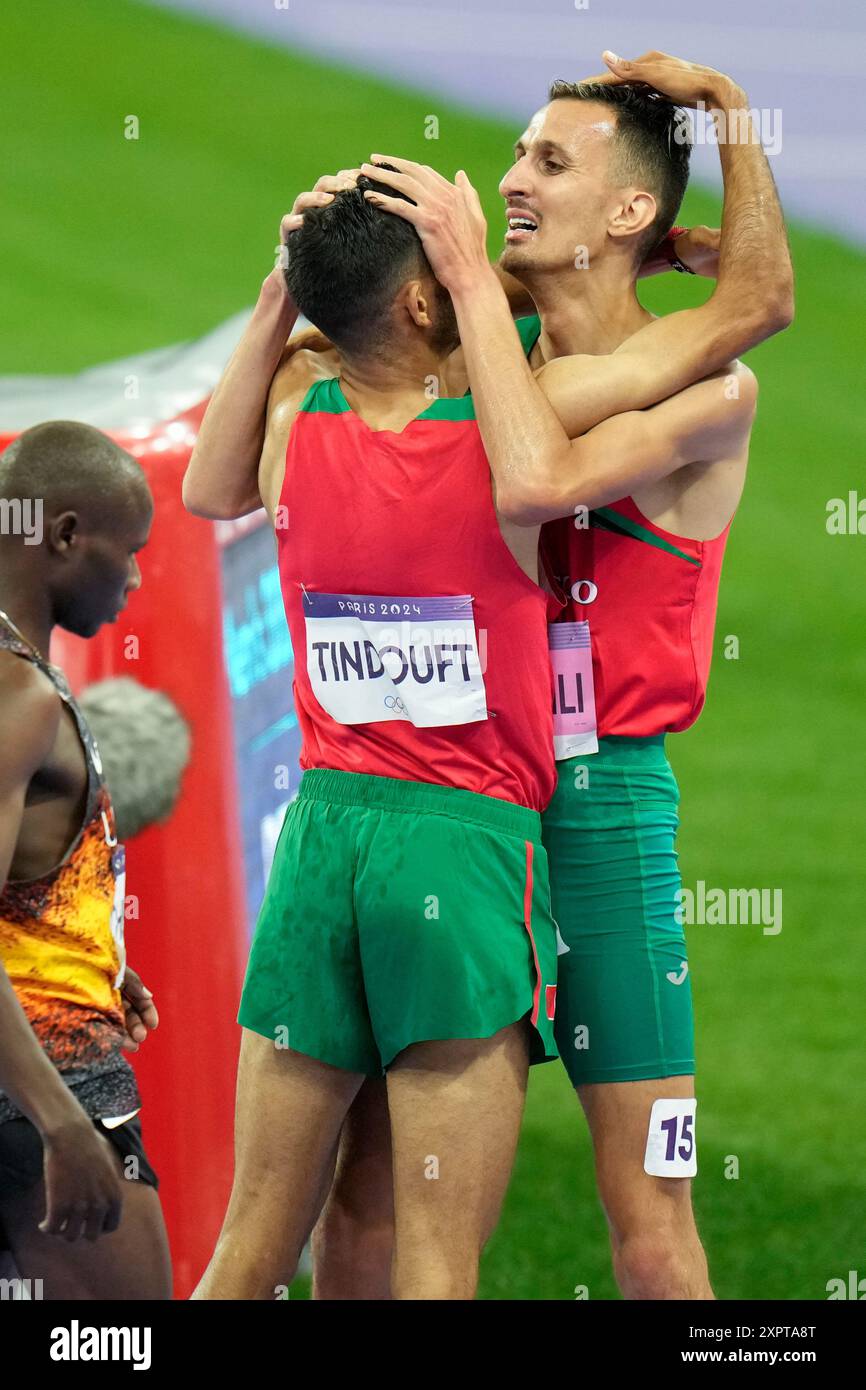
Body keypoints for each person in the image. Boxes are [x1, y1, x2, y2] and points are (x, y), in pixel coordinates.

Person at [184, 49, 792, 1299]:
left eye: (546, 161)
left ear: (622, 209)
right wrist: (629, 249)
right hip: (459, 817)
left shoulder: (696, 393)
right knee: (363, 1195)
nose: (508, 177)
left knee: (648, 1212)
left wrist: (724, 119)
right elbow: (388, 306)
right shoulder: (482, 341)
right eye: (517, 152)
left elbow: (756, 298)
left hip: (596, 817)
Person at [0, 420, 171, 1299]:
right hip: (45, 1087)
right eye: (128, 551)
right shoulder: (16, 696)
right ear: (64, 536)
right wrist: (64, 1123)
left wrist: (91, 952)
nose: (137, 578)